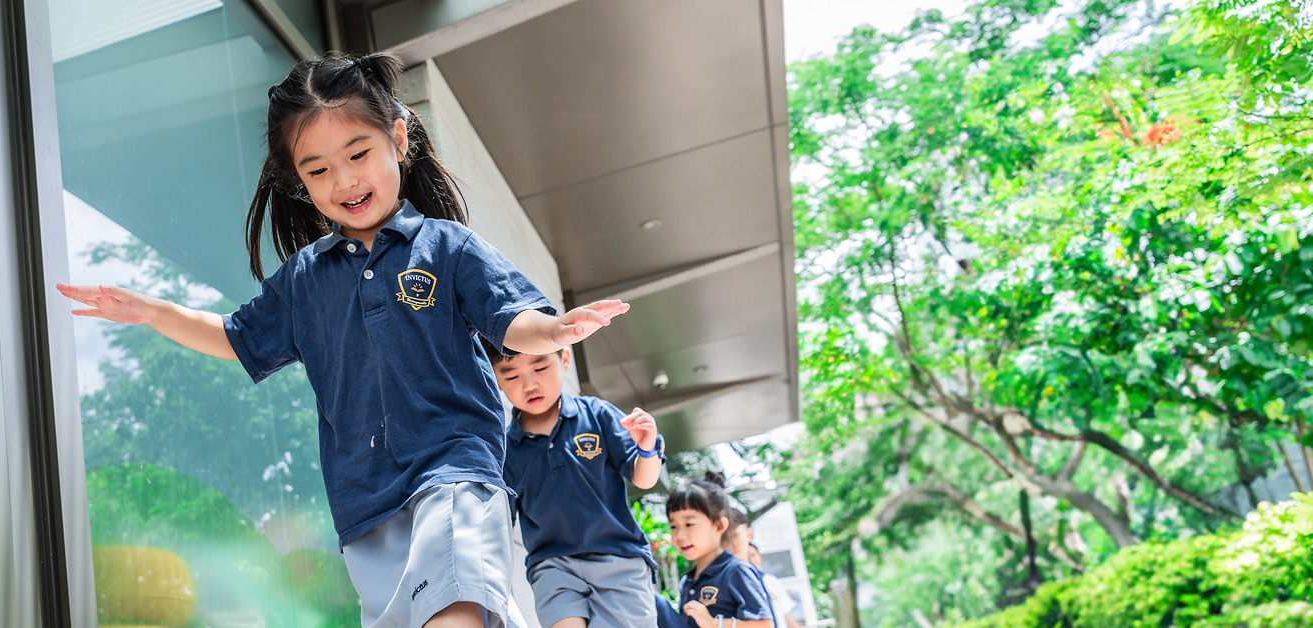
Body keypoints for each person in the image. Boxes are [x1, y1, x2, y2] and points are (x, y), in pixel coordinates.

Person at [56, 52, 631, 628]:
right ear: (301, 183)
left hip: (454, 472)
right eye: (319, 170)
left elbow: (509, 318)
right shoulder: (305, 279)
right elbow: (235, 338)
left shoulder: (446, 246)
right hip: (363, 502)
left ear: (398, 140)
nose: (346, 180)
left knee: (455, 611)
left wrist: (553, 330)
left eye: (359, 154)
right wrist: (152, 311)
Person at [490, 344, 666, 628]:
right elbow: (500, 520)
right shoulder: (505, 451)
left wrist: (646, 448)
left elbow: (643, 478)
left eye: (540, 367)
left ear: (565, 359)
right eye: (511, 377)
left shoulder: (596, 414)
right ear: (496, 379)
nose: (529, 384)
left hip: (619, 558)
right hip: (553, 565)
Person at [666, 473, 774, 628]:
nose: (680, 535)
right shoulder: (687, 581)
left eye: (689, 524)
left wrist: (715, 624)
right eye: (673, 526)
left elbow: (765, 624)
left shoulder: (737, 571)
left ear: (719, 526)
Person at [719, 508, 797, 628]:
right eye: (726, 538)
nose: (732, 544)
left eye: (735, 536)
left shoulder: (768, 580)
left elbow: (787, 616)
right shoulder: (720, 582)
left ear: (748, 534)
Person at [747, 544, 801, 628]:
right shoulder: (742, 584)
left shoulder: (770, 580)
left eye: (753, 555)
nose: (750, 559)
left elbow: (786, 612)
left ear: (759, 556)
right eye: (746, 556)